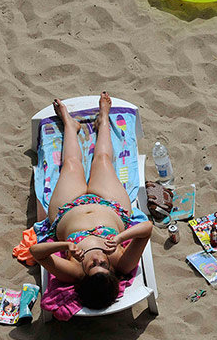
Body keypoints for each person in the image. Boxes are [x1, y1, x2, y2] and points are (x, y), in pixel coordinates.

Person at [30, 92, 153, 309]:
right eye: (103, 264)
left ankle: (70, 125)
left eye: (92, 265)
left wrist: (66, 244)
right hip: (110, 204)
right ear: (111, 272)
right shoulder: (122, 263)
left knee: (70, 164)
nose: (98, 259)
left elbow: (36, 253)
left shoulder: (73, 272)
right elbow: (146, 229)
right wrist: (120, 238)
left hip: (66, 209)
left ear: (85, 275)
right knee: (103, 160)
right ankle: (103, 118)